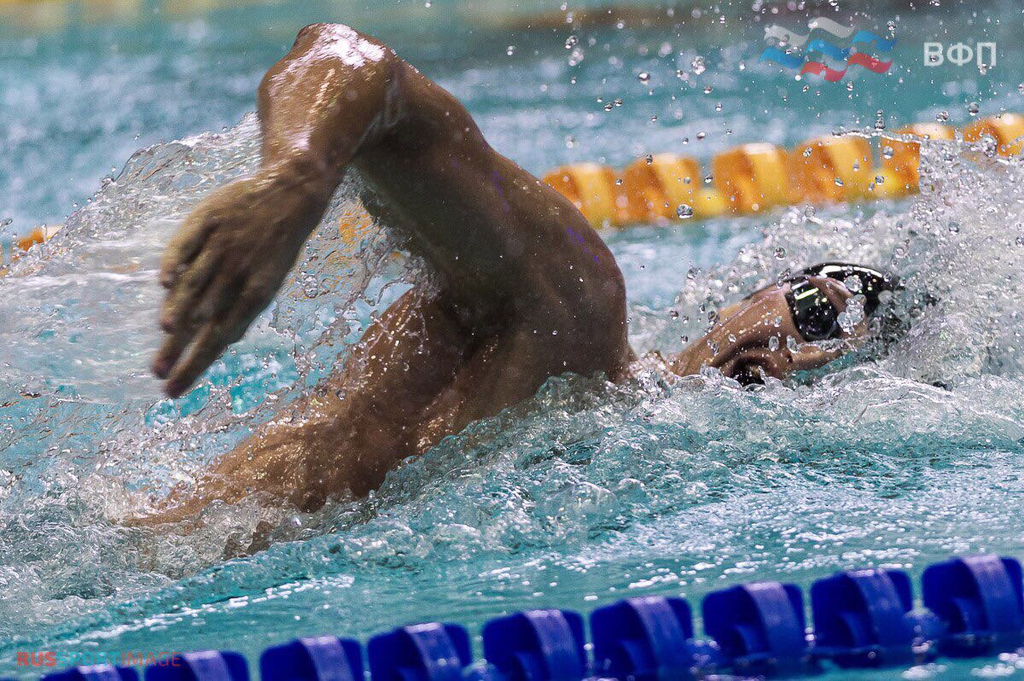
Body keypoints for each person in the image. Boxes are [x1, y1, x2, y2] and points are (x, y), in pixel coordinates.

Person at [140, 24, 895, 523]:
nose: (805, 356)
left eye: (837, 370)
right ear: (751, 296)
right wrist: (296, 177)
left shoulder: (624, 474)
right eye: (815, 310)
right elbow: (354, 64)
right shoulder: (574, 311)